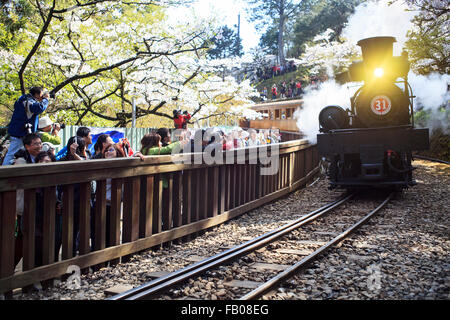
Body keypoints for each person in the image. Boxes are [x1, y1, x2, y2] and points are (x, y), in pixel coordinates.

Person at [3, 87, 50, 165]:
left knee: (22, 153)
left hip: (19, 130)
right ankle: (5, 171)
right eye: (42, 94)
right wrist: (46, 100)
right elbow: (39, 108)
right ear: (37, 94)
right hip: (21, 132)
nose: (42, 96)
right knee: (12, 153)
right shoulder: (28, 101)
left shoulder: (23, 98)